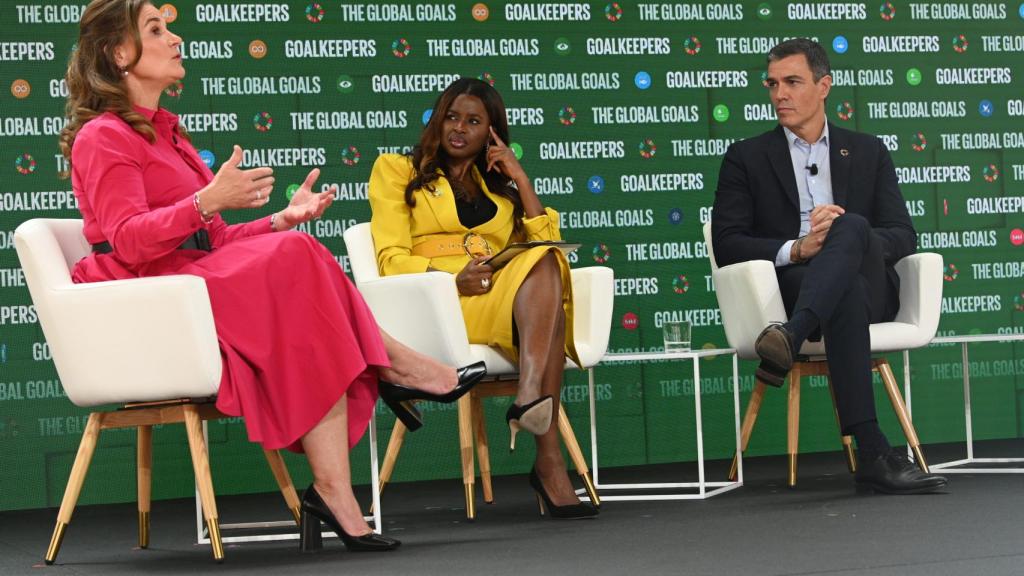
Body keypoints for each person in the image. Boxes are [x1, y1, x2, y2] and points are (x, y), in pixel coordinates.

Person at [61, 0, 486, 552]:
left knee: (301, 274)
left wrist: (279, 219)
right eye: (156, 30)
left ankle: (336, 491)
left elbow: (207, 243)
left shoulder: (168, 134)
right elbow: (129, 239)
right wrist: (206, 199)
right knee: (297, 265)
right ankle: (396, 366)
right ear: (119, 53)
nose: (175, 38)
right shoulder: (104, 136)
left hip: (189, 278)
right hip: (150, 299)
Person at [711, 38, 947, 494]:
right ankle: (873, 451)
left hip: (869, 283)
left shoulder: (867, 150)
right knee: (846, 293)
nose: (779, 94)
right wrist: (798, 249)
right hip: (799, 284)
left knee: (852, 225)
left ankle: (790, 336)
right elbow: (727, 244)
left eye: (792, 82)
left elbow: (902, 234)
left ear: (824, 86)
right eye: (773, 83)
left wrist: (844, 236)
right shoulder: (746, 158)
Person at [368, 78, 597, 519]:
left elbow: (548, 244)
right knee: (550, 322)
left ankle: (531, 397)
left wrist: (521, 179)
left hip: (495, 291)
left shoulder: (497, 190)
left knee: (546, 262)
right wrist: (454, 278)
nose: (459, 128)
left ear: (491, 133)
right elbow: (390, 259)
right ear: (437, 120)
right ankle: (549, 462)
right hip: (438, 304)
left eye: (474, 121)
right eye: (452, 116)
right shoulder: (398, 171)